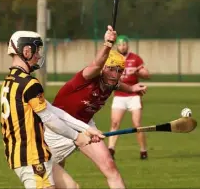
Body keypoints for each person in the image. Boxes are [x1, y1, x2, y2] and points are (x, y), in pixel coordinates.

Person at [44, 25, 147, 189]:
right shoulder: (87, 76)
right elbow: (97, 64)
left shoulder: (111, 83)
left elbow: (118, 84)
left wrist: (132, 88)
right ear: (104, 69)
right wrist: (107, 44)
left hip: (85, 127)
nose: (115, 74)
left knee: (110, 168)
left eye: (119, 70)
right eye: (111, 69)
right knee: (52, 180)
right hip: (58, 127)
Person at [0, 30, 104, 189]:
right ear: (26, 51)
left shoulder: (11, 81)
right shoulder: (29, 84)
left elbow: (54, 110)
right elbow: (49, 118)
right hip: (31, 158)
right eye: (37, 51)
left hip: (37, 154)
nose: (39, 56)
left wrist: (87, 129)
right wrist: (77, 137)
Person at [108, 35, 150, 160]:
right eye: (120, 44)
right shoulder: (113, 58)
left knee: (137, 124)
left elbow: (147, 74)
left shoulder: (135, 59)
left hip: (134, 96)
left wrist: (140, 72)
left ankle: (143, 150)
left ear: (128, 45)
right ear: (117, 46)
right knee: (115, 123)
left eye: (124, 44)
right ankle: (111, 149)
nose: (122, 46)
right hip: (119, 95)